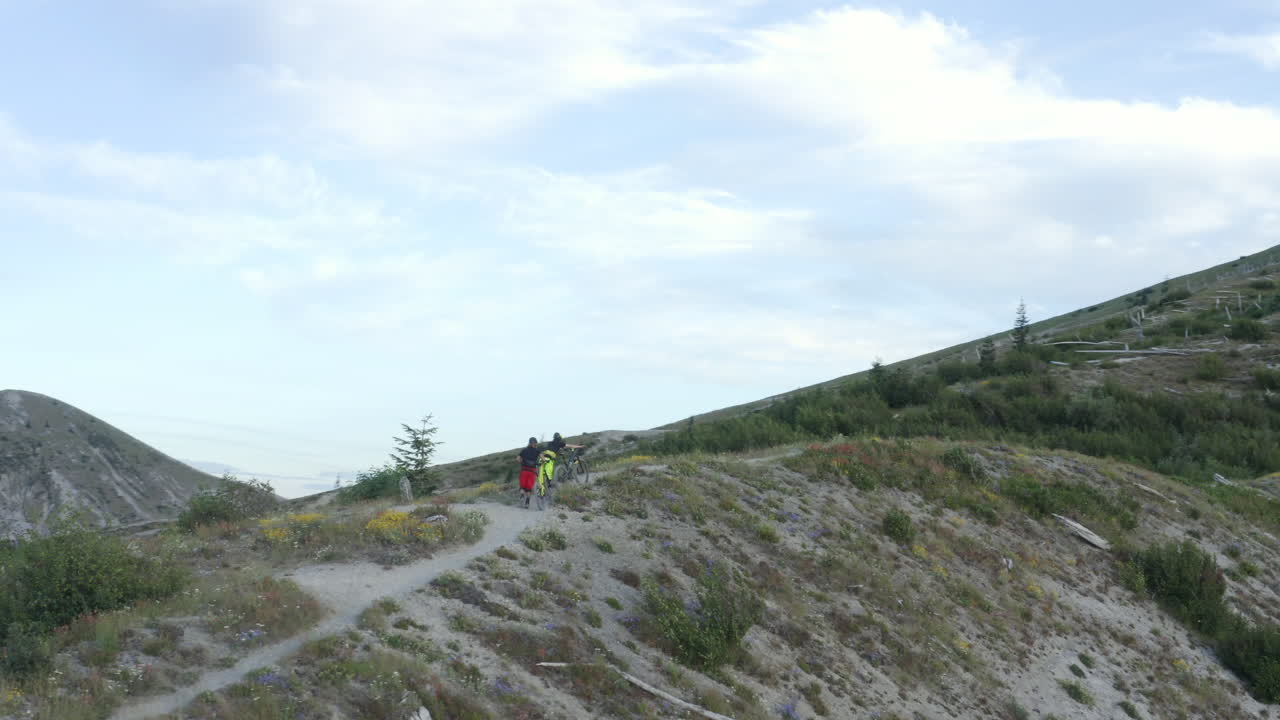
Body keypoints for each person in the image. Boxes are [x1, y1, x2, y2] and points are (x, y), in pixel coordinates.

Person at [516, 437, 540, 509]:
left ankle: (522, 495)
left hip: (524, 470)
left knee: (522, 487)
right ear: (535, 443)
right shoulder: (537, 450)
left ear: (529, 443)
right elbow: (543, 458)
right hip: (532, 471)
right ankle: (527, 502)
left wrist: (522, 463)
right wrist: (542, 462)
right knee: (529, 488)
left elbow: (518, 459)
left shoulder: (524, 450)